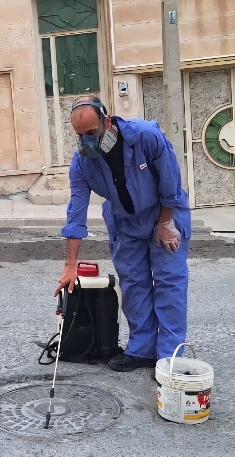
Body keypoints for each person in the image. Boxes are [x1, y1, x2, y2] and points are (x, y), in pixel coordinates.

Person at [55, 96, 191, 372]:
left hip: (162, 213)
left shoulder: (146, 136)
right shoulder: (82, 163)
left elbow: (170, 181)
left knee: (169, 283)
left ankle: (169, 356)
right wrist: (70, 266)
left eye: (91, 134)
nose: (86, 142)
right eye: (80, 136)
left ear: (107, 122)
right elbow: (76, 212)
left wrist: (165, 222)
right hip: (123, 222)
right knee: (134, 285)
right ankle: (141, 349)